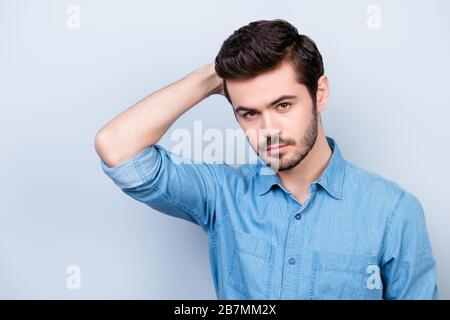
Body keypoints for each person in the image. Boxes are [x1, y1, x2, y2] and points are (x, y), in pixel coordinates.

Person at [94, 19, 439, 299]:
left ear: (319, 94)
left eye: (283, 105)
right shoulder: (223, 194)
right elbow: (116, 148)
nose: (268, 129)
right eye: (249, 113)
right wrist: (213, 76)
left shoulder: (393, 211)